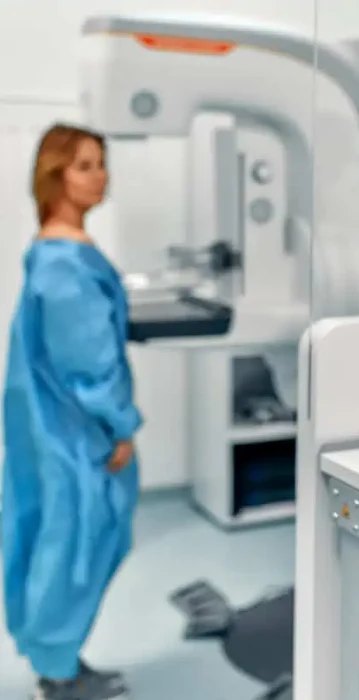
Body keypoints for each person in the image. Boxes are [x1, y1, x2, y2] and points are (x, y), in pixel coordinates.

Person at [2, 123, 142, 700]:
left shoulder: (52, 248)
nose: (100, 175)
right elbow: (89, 364)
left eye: (101, 162)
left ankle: (58, 663)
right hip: (79, 434)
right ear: (54, 174)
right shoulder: (65, 261)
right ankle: (58, 676)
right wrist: (120, 427)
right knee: (78, 545)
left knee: (58, 539)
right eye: (85, 165)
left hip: (52, 426)